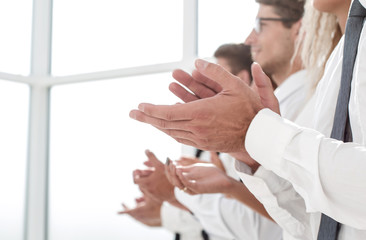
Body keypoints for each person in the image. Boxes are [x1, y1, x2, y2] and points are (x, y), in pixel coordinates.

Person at [130, 0, 366, 237]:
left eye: (261, 25)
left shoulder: (311, 93)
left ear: (299, 28)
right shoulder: (337, 68)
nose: (249, 39)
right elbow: (316, 220)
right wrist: (249, 155)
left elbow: (260, 230)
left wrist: (254, 132)